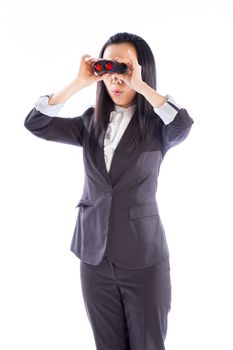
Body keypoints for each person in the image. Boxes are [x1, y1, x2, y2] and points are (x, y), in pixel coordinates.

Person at [24, 32, 194, 350]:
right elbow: (36, 124)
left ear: (141, 70)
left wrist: (140, 84)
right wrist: (79, 83)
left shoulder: (158, 128)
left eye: (124, 69)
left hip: (144, 258)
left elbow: (182, 125)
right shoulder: (91, 122)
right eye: (108, 69)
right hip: (93, 258)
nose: (115, 78)